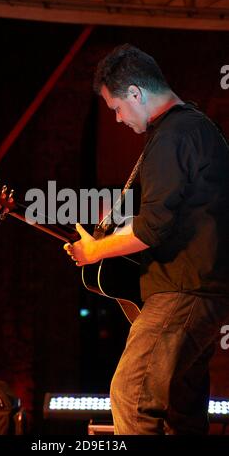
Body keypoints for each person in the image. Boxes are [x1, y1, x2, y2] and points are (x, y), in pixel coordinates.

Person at [63, 44, 229, 435]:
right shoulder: (195, 129)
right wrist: (118, 228)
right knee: (179, 410)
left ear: (136, 93)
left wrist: (95, 250)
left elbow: (152, 229)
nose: (118, 119)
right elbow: (176, 216)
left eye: (117, 107)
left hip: (185, 292)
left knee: (131, 394)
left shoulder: (172, 135)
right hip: (204, 291)